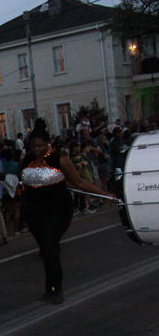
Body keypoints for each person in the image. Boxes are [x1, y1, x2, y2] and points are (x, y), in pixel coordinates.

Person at [21, 119, 114, 304]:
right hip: (34, 213)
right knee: (48, 250)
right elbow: (23, 183)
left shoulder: (61, 160)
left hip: (57, 210)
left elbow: (78, 182)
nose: (37, 149)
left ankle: (56, 289)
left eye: (40, 145)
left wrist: (103, 194)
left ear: (48, 144)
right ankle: (50, 288)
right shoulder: (26, 161)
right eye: (33, 146)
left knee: (49, 247)